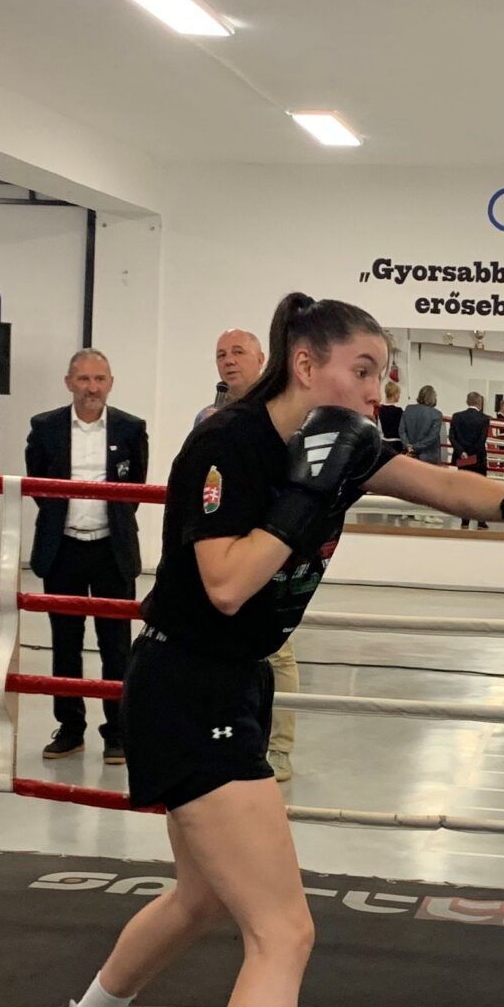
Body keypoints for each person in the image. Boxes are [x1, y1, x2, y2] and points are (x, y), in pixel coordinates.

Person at [32, 292, 504, 1007]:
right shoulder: (227, 442)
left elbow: (444, 488)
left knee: (200, 897)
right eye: (362, 369)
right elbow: (228, 581)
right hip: (187, 683)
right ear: (306, 363)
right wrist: (302, 498)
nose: (376, 388)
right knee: (284, 931)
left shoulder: (347, 442)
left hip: (232, 683)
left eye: (382, 372)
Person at [27, 350, 147, 766]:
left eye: (99, 379)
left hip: (112, 550)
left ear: (110, 383)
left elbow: (135, 489)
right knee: (65, 644)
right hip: (63, 549)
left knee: (117, 647)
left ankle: (119, 731)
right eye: (83, 379)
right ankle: (70, 729)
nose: (91, 387)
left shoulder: (131, 428)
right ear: (68, 382)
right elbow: (38, 485)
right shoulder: (44, 427)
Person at [218, 332, 301, 777]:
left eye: (238, 352)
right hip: (221, 549)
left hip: (269, 548)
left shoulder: (282, 414)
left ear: (261, 359)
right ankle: (229, 737)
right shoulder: (211, 417)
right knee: (223, 649)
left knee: (278, 652)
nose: (229, 361)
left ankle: (280, 747)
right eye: (221, 354)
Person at [398, 383, 447, 465]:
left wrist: (408, 445)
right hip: (428, 458)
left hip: (409, 455)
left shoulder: (408, 408)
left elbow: (402, 430)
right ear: (433, 397)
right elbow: (432, 437)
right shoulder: (437, 414)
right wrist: (415, 447)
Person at [448, 390, 491, 473]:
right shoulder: (484, 419)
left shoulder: (456, 416)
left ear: (467, 402)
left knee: (460, 479)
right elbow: (481, 440)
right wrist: (470, 457)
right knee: (476, 480)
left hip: (460, 457)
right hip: (477, 459)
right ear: (480, 402)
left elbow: (452, 437)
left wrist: (461, 452)